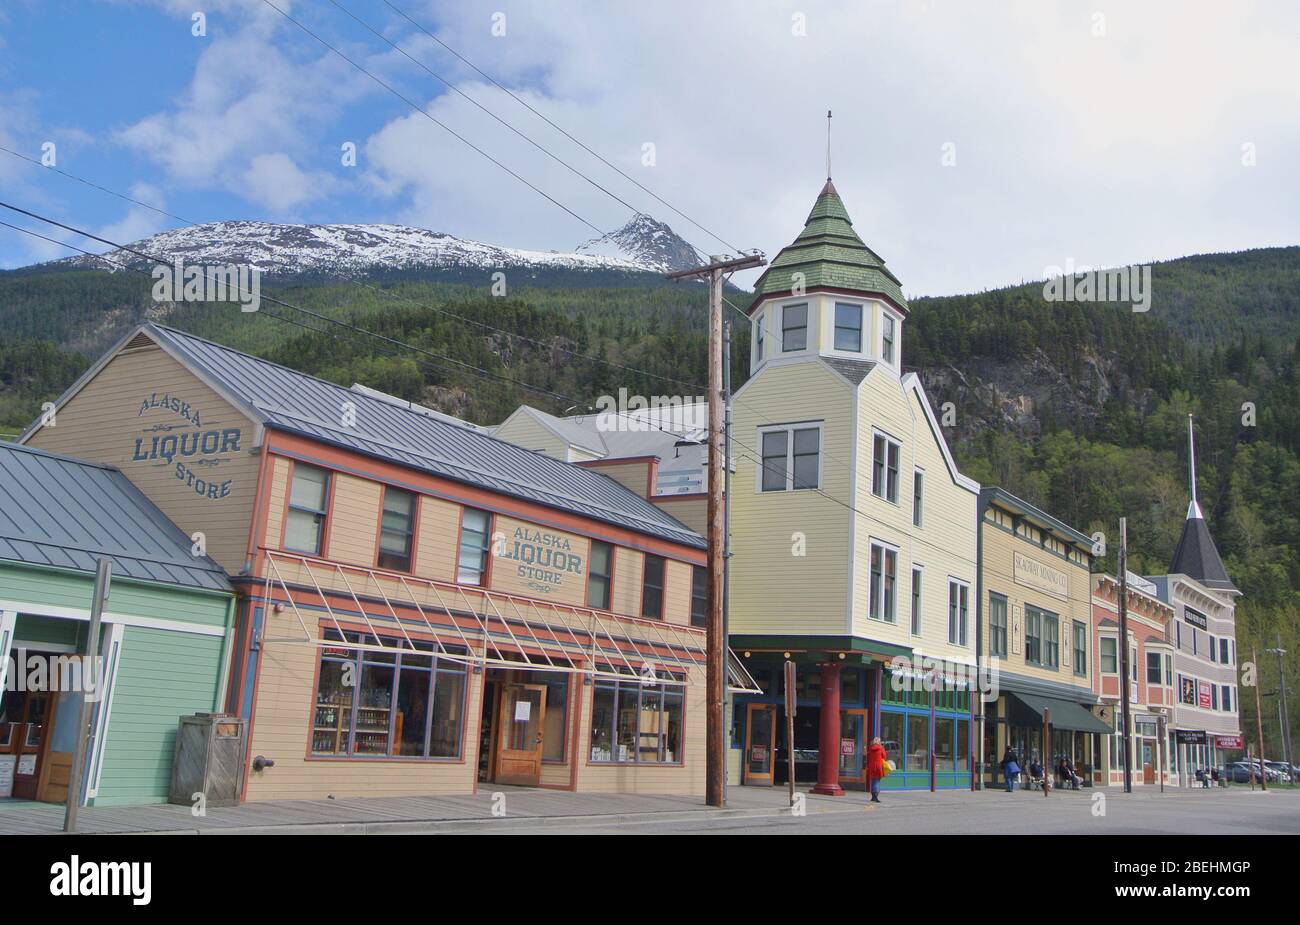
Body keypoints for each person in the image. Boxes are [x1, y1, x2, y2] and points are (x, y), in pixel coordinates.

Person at [866, 736, 888, 803]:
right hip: (878, 766)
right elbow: (884, 756)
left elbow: (868, 756)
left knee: (873, 780)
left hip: (872, 766)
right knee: (877, 781)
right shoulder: (881, 748)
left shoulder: (871, 748)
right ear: (879, 741)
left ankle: (872, 796)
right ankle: (875, 796)